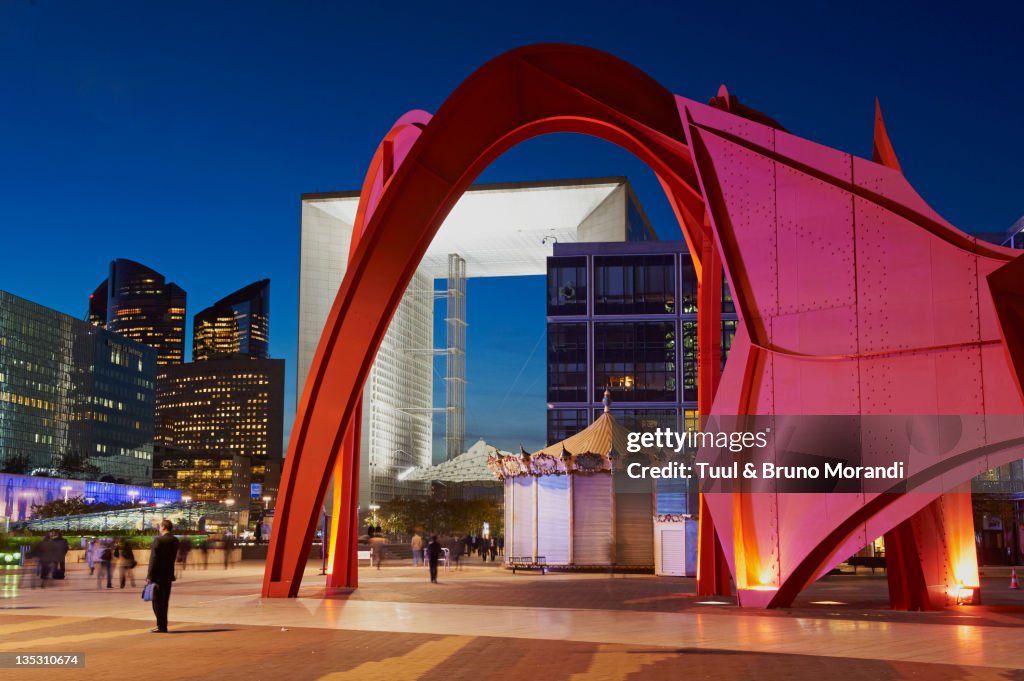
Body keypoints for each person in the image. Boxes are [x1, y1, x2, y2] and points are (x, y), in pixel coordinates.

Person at [147, 519, 180, 633]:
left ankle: (161, 626)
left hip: (158, 576)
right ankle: (162, 625)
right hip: (168, 574)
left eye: (160, 527)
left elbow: (153, 559)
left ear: (163, 527)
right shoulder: (175, 540)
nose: (159, 529)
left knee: (156, 601)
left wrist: (150, 575)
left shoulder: (158, 540)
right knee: (164, 601)